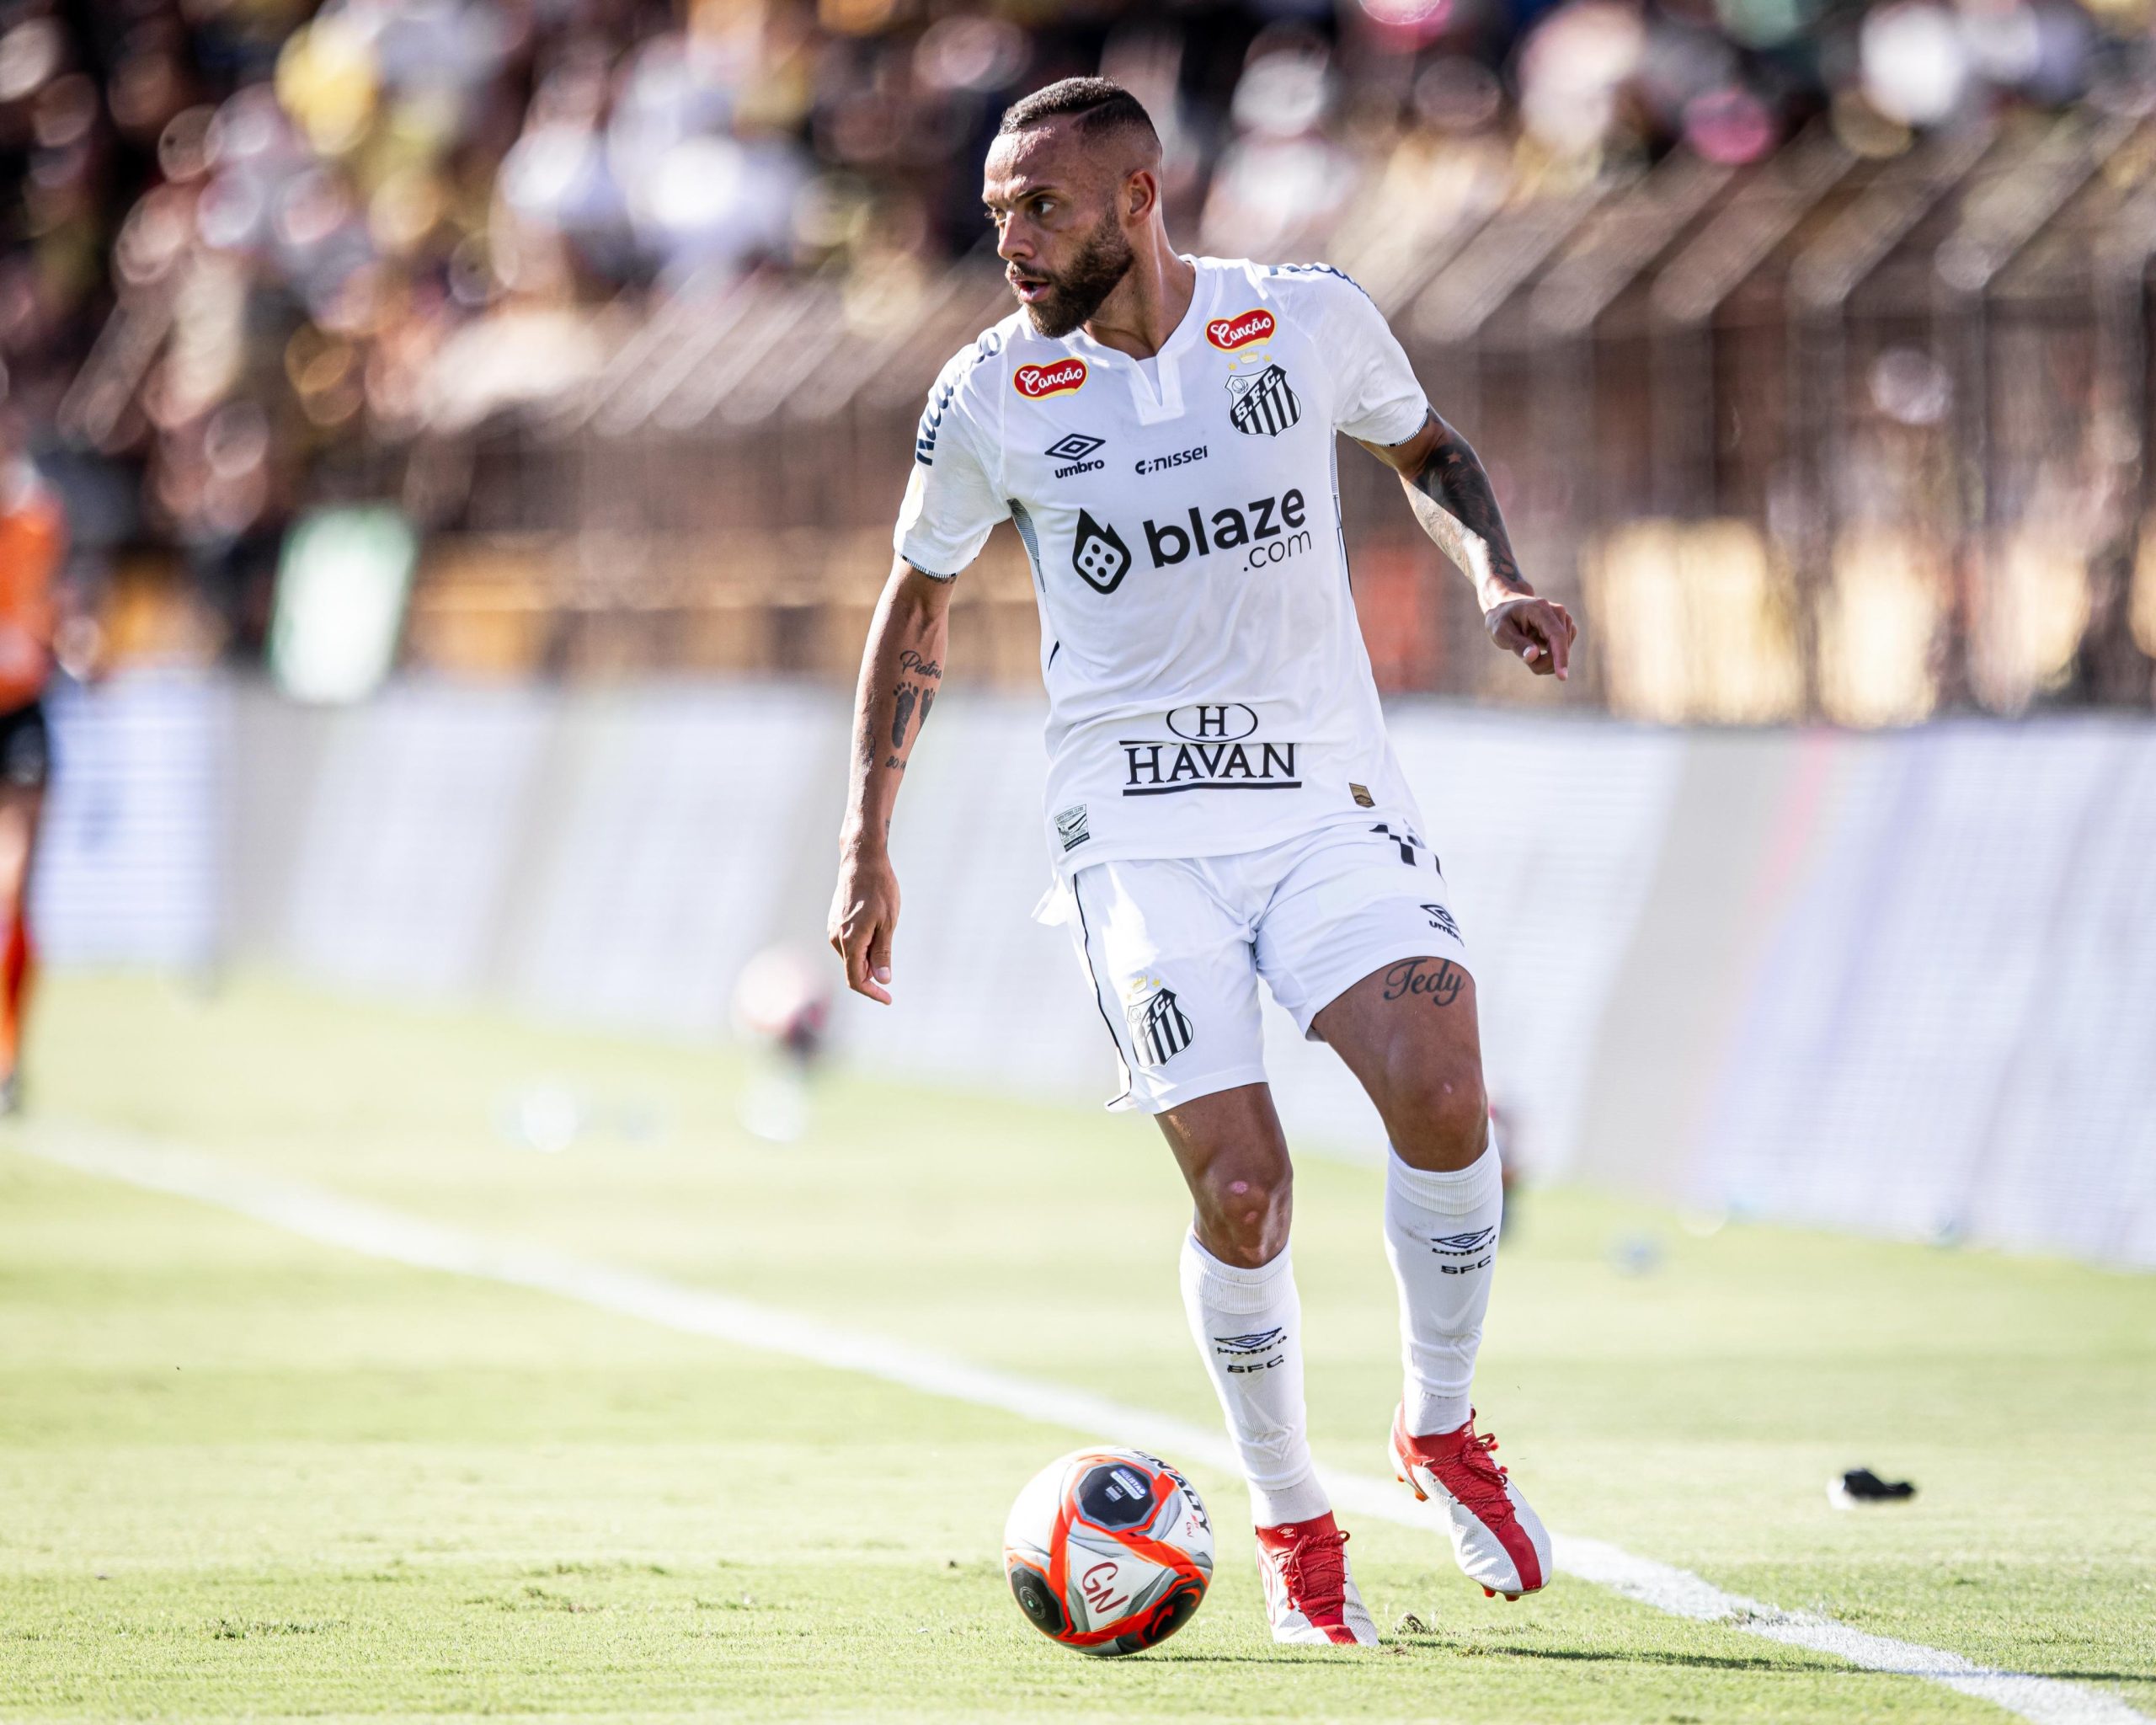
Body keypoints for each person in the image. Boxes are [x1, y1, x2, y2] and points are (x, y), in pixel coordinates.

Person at [827, 78, 1577, 1647]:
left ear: (1140, 197)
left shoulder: (1298, 319)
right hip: (1141, 835)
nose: (1012, 242)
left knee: (1444, 1087)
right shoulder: (989, 394)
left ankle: (1438, 1424)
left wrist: (1500, 577)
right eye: (996, 215)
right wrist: (866, 837)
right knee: (1245, 1191)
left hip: (1323, 799)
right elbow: (917, 604)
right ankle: (1296, 1516)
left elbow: (1425, 450)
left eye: (1040, 208)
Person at [0, 370, 62, 1114]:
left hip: (20, 712)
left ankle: (10, 1052)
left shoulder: (38, 514)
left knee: (14, 887)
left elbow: (48, 607)